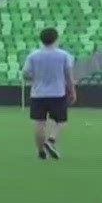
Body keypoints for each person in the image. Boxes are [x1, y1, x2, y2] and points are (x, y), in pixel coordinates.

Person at [23, 27, 75, 160]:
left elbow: (25, 75)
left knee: (39, 123)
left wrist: (37, 78)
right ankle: (51, 140)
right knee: (61, 121)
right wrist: (73, 91)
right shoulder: (64, 55)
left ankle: (41, 152)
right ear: (56, 39)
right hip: (57, 93)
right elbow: (68, 75)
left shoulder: (33, 55)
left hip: (38, 94)